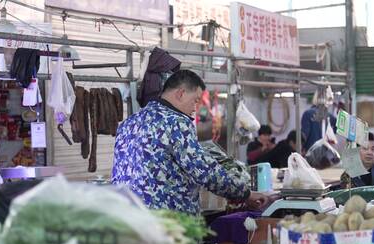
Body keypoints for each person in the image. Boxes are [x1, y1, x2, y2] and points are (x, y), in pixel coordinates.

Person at [111, 70, 269, 215]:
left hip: (128, 219)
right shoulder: (176, 122)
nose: (195, 108)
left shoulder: (129, 122)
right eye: (195, 100)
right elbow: (204, 171)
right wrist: (244, 193)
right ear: (180, 94)